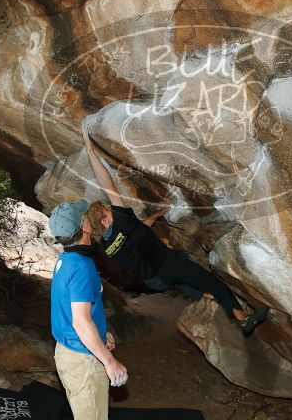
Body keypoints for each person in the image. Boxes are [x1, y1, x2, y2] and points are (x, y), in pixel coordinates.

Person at [81, 129, 268, 335]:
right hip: (169, 264)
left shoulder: (108, 246)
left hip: (155, 280)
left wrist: (159, 213)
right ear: (106, 220)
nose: (112, 208)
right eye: (109, 210)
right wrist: (90, 151)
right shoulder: (123, 223)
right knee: (212, 282)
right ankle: (243, 319)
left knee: (184, 282)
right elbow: (108, 186)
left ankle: (199, 293)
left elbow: (137, 231)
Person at [48, 199, 127, 420]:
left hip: (67, 353)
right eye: (86, 216)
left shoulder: (66, 259)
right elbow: (81, 323)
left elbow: (73, 312)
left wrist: (101, 331)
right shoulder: (81, 267)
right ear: (84, 226)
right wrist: (109, 360)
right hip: (83, 362)